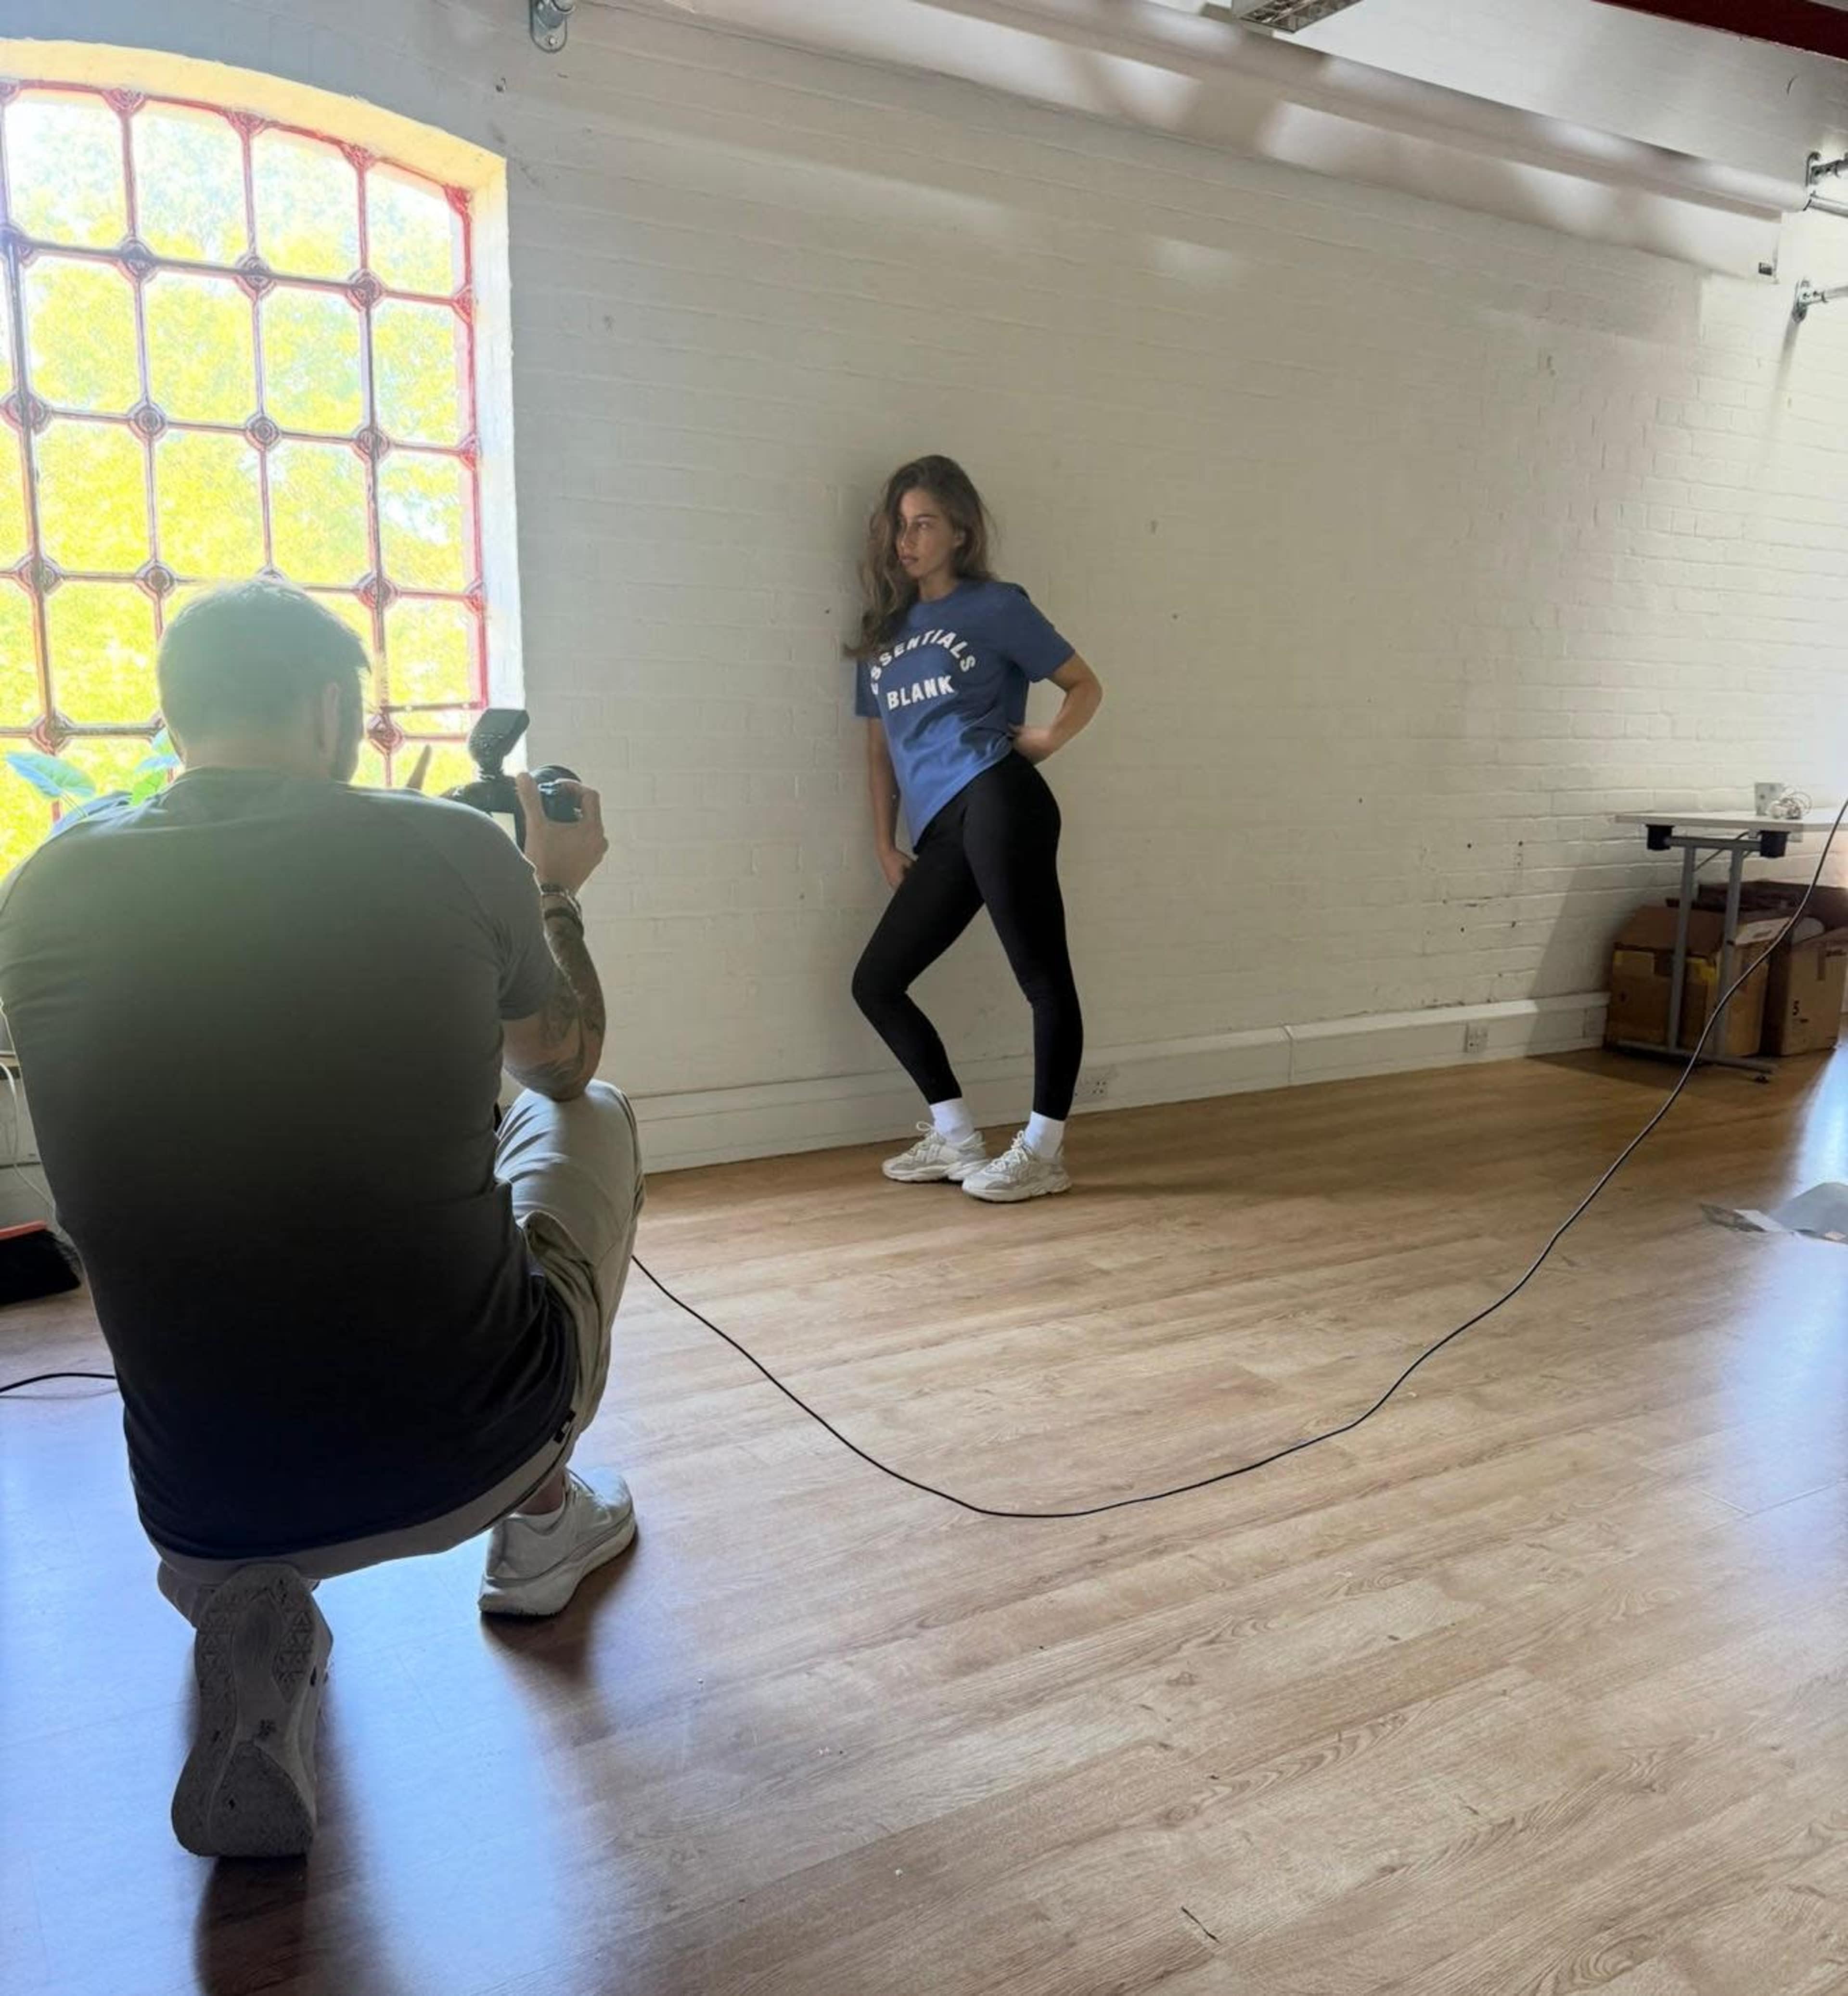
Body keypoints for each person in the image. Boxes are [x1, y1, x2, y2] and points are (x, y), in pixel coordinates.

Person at [0, 581, 644, 1858]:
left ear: (178, 718)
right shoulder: (458, 852)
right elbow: (560, 1063)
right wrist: (555, 887)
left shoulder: (47, 886)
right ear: (333, 709)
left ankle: (250, 1612)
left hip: (207, 1502)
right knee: (598, 1112)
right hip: (474, 1445)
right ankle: (544, 1519)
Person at [849, 456, 1103, 1203]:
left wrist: (1049, 740)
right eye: (899, 526)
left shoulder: (996, 606)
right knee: (877, 982)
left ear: (959, 531)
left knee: (1041, 977)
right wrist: (883, 841)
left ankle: (1044, 1149)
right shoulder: (883, 634)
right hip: (941, 828)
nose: (908, 540)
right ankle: (957, 1138)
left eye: (923, 523)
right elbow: (879, 748)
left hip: (998, 798)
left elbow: (1085, 683)